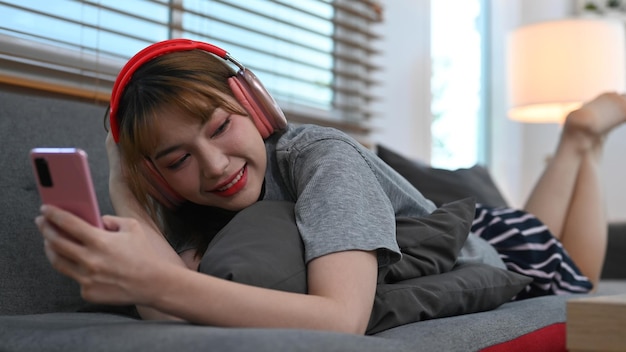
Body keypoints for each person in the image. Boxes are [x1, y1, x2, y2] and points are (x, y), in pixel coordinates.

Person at [35, 39, 625, 335]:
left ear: (257, 106)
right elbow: (167, 319)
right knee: (530, 215)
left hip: (502, 246)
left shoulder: (321, 156)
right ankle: (576, 141)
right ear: (159, 176)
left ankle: (583, 139)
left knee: (577, 268)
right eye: (177, 159)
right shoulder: (193, 203)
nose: (213, 166)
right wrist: (124, 185)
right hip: (487, 226)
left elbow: (342, 318)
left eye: (221, 127)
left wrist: (157, 279)